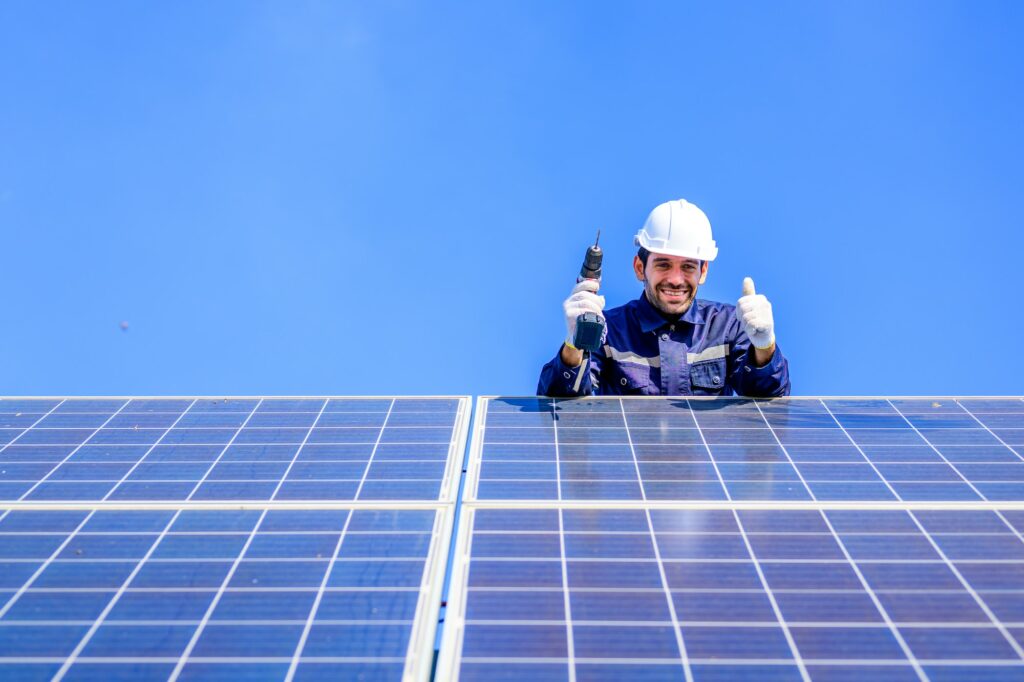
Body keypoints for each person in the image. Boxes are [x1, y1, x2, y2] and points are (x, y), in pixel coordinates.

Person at [538, 199, 790, 397]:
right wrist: (574, 347)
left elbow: (767, 403)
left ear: (703, 272)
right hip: (628, 464)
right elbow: (561, 408)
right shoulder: (608, 331)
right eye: (663, 265)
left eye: (688, 267)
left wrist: (765, 347)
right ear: (639, 268)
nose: (676, 279)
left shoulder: (728, 326)